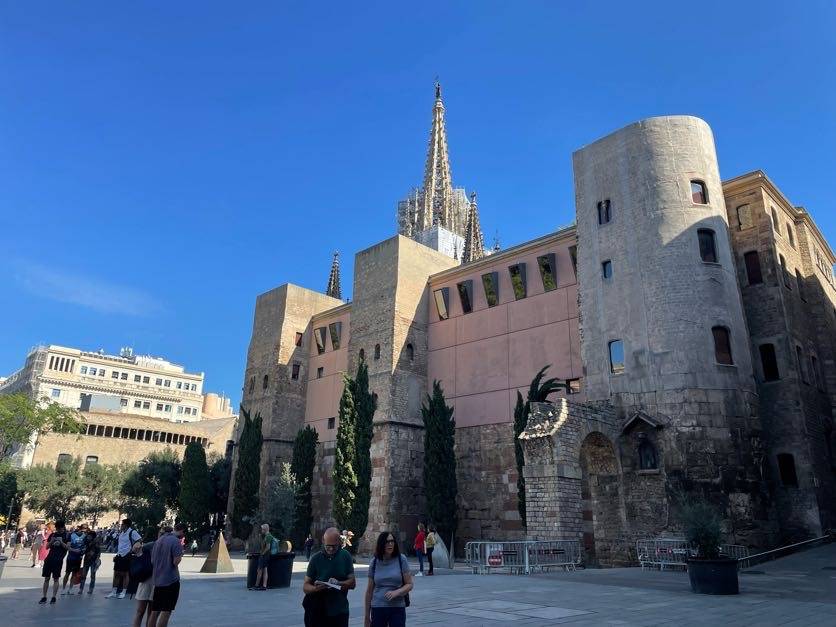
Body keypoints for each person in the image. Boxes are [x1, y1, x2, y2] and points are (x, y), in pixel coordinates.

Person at [303, 527, 356, 627]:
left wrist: (338, 583)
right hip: (318, 610)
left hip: (339, 610)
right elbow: (305, 586)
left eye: (334, 546)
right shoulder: (316, 558)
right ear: (323, 541)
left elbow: (352, 583)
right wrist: (316, 588)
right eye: (328, 546)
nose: (331, 549)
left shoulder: (345, 556)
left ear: (340, 543)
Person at [364, 532, 414, 627]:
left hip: (397, 607)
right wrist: (367, 617)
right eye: (387, 542)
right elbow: (369, 591)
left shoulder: (401, 559)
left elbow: (409, 584)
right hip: (378, 607)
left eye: (392, 541)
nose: (390, 544)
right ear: (381, 544)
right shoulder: (374, 562)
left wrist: (397, 592)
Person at [148, 523, 185, 627]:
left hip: (158, 580)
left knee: (154, 611)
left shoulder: (158, 541)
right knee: (166, 611)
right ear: (182, 531)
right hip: (170, 580)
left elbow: (152, 561)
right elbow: (175, 562)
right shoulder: (176, 541)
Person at [107, 518, 142, 599]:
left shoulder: (132, 532)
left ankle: (123, 591)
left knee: (125, 574)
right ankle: (114, 591)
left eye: (122, 524)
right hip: (119, 555)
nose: (121, 526)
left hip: (127, 555)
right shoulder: (122, 533)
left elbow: (139, 540)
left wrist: (133, 550)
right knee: (116, 573)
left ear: (126, 525)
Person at [39, 520, 70, 605]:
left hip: (58, 560)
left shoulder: (67, 535)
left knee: (56, 579)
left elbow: (68, 548)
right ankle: (44, 596)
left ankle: (53, 597)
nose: (58, 530)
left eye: (60, 528)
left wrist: (61, 542)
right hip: (49, 559)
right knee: (46, 578)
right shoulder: (53, 534)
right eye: (57, 528)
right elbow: (47, 547)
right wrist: (52, 541)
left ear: (63, 527)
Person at [129, 538, 155, 627]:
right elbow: (134, 550)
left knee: (149, 612)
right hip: (147, 581)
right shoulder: (150, 545)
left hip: (154, 581)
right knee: (141, 611)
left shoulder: (162, 545)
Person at [61, 523, 88, 595]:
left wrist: (83, 551)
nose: (83, 532)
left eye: (85, 531)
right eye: (82, 530)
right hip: (71, 557)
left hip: (78, 558)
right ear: (79, 529)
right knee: (67, 573)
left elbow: (85, 546)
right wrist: (74, 550)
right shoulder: (72, 535)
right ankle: (63, 589)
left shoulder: (85, 537)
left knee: (74, 574)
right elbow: (68, 546)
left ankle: (70, 589)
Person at [252, 523, 276, 591]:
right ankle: (264, 585)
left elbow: (268, 547)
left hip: (264, 555)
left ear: (265, 529)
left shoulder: (268, 536)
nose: (261, 530)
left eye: (262, 529)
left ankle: (256, 585)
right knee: (265, 570)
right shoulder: (267, 536)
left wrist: (262, 553)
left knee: (260, 570)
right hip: (266, 555)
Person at [79, 529, 101, 594]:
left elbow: (98, 552)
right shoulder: (86, 542)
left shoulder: (96, 543)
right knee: (83, 575)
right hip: (86, 560)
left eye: (89, 536)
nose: (88, 537)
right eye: (88, 536)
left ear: (92, 537)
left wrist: (97, 559)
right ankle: (81, 589)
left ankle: (91, 589)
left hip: (93, 561)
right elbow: (84, 550)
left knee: (92, 575)